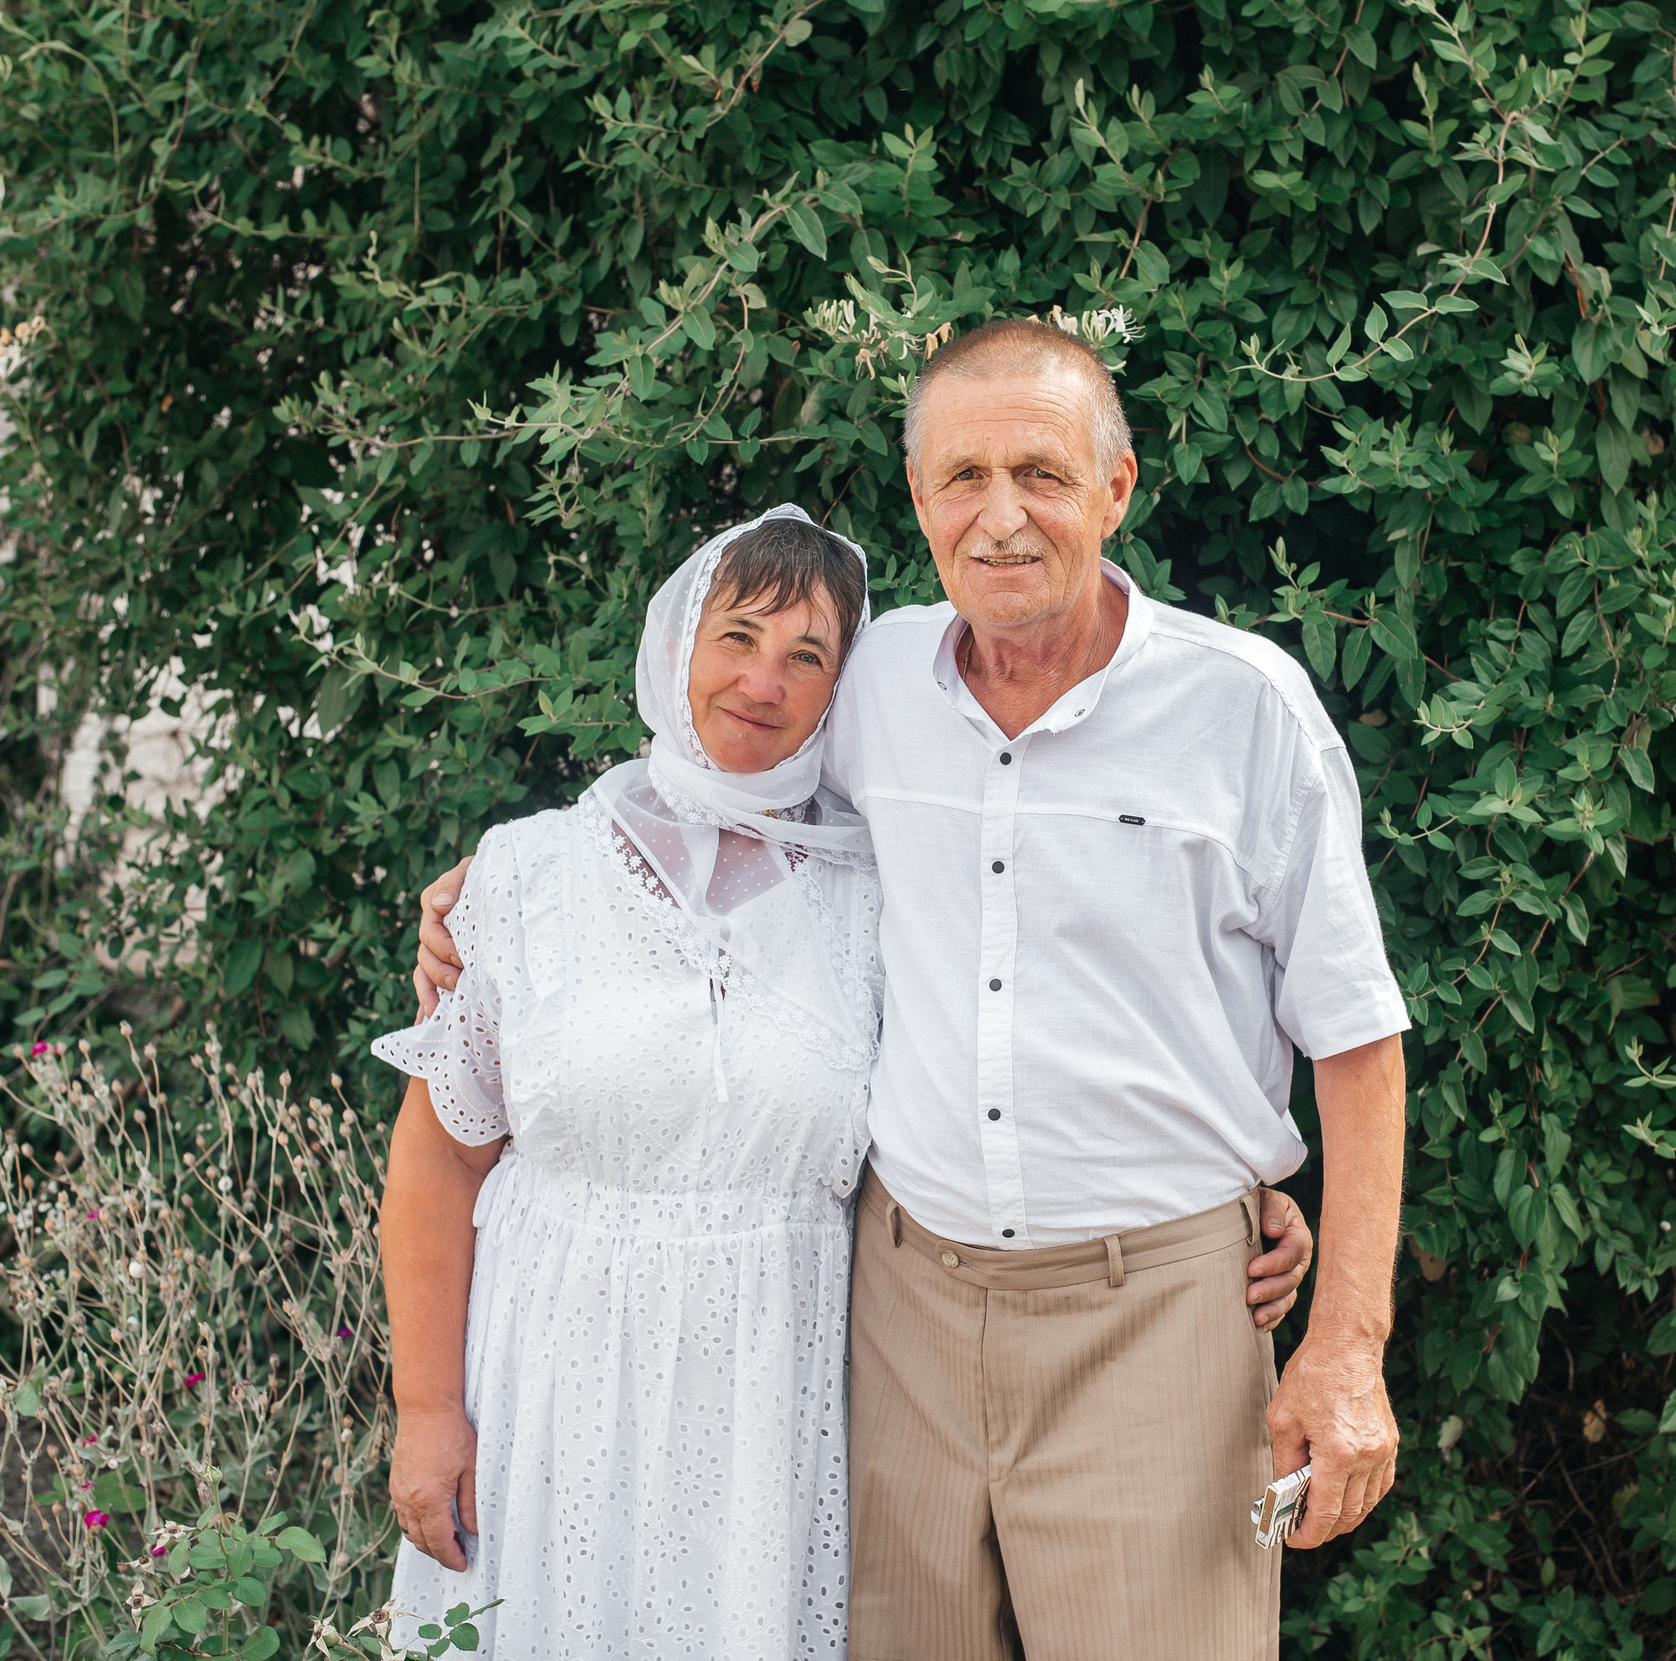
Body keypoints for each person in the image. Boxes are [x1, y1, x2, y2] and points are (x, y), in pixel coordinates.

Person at [377, 504, 1315, 1661]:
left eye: (807, 654)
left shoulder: (880, 889)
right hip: (549, 1387)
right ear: (676, 647)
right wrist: (428, 1410)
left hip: (770, 1412)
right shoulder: (526, 873)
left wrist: (1230, 1185)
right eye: (738, 635)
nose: (762, 680)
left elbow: (1021, 1053)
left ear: (842, 694)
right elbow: (439, 1152)